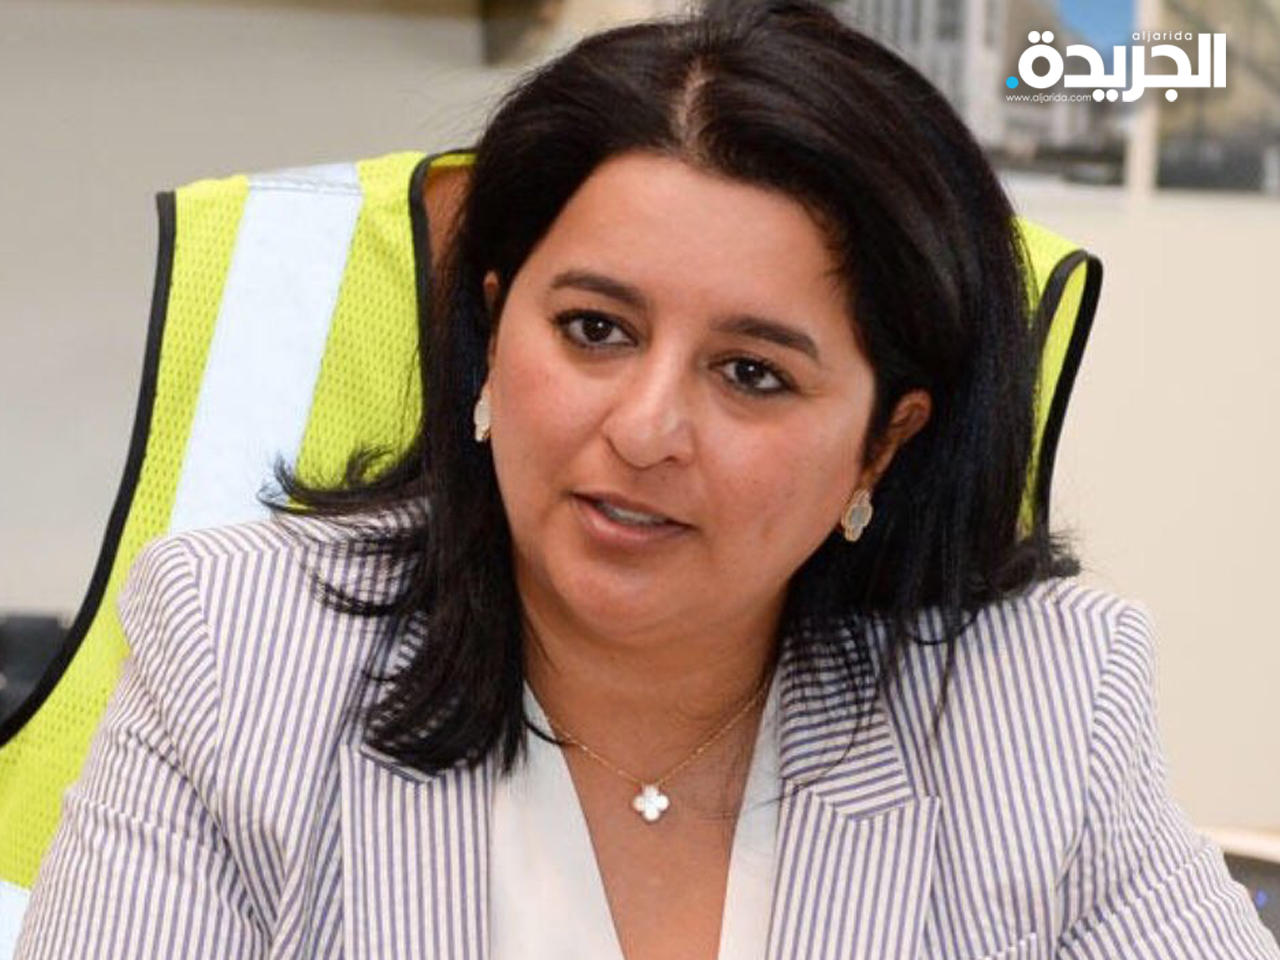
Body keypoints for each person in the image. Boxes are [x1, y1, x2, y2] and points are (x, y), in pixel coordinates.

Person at [16, 1, 1280, 957]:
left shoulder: (1037, 701)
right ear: (491, 333)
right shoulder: (240, 649)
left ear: (882, 442)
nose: (645, 428)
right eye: (595, 330)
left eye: (751, 373)